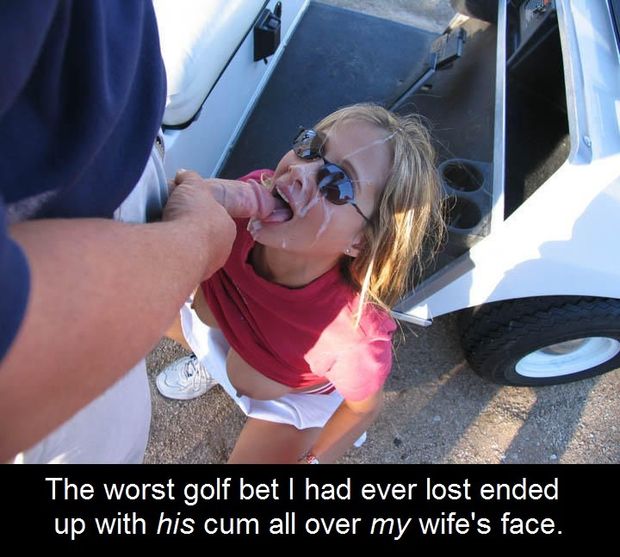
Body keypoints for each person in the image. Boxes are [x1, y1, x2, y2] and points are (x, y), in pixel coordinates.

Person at [0, 0, 274, 463]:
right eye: (311, 146)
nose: (306, 174)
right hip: (59, 305)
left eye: (339, 185)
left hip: (108, 189)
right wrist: (195, 245)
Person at [156, 103, 445, 463]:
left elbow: (362, 409)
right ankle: (216, 363)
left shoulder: (352, 337)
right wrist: (196, 200)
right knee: (164, 305)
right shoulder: (248, 194)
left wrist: (313, 460)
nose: (299, 171)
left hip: (293, 394)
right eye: (311, 147)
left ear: (361, 241)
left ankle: (304, 407)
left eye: (337, 183)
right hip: (240, 327)